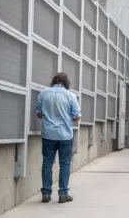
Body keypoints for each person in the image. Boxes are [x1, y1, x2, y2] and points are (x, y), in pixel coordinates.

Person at [37, 73, 81, 204]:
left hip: (48, 135)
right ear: (66, 82)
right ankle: (63, 194)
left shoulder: (43, 94)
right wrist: (66, 118)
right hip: (65, 135)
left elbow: (39, 114)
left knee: (47, 163)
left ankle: (46, 194)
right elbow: (77, 116)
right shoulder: (70, 95)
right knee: (65, 164)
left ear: (53, 81)